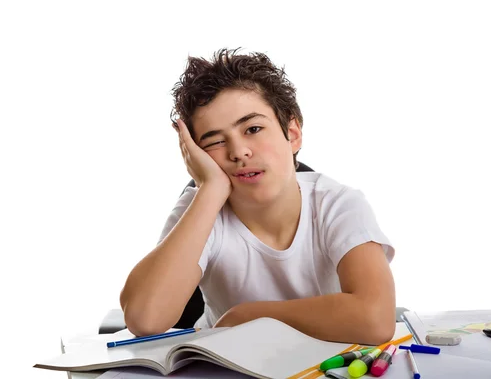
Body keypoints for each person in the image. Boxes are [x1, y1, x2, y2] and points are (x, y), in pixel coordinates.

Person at [119, 48, 397, 345]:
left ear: (292, 134)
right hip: (226, 366)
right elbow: (145, 318)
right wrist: (210, 189)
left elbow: (375, 319)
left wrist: (249, 316)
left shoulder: (338, 204)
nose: (238, 152)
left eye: (252, 129)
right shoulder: (200, 206)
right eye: (214, 142)